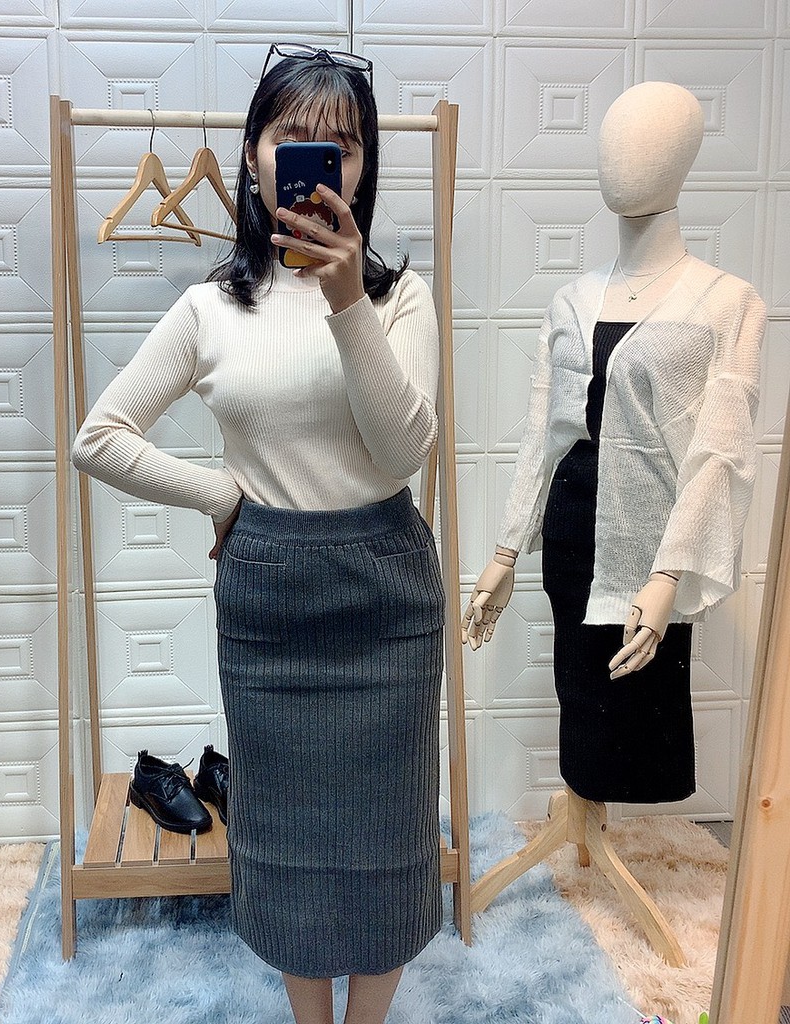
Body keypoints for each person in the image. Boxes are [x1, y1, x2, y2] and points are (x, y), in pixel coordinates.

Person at [72, 44, 445, 1024]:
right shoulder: (209, 309)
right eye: (293, 138)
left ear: (362, 168)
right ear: (252, 155)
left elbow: (402, 449)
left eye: (341, 146)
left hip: (387, 598)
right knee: (283, 842)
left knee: (390, 836)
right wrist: (220, 496)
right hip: (270, 603)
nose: (317, 161)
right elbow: (98, 437)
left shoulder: (400, 298)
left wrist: (344, 299)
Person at [461, 82, 765, 804]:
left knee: (643, 715)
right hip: (572, 537)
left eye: (648, 143)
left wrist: (669, 576)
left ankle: (619, 832)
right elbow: (543, 435)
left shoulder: (728, 302)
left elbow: (719, 456)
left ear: (684, 159)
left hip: (653, 543)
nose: (623, 161)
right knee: (581, 702)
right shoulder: (570, 300)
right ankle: (581, 822)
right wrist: (506, 551)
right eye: (615, 143)